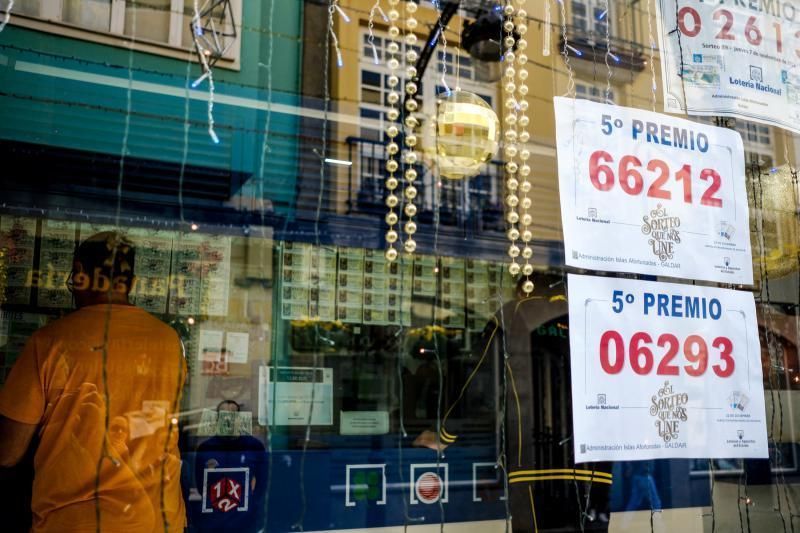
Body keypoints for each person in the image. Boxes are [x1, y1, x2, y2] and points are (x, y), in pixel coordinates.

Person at [0, 231, 187, 532]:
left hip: (75, 522)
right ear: (132, 282)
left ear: (79, 274)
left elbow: (8, 452)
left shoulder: (50, 343)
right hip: (159, 520)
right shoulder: (169, 342)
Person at [413, 272, 613, 532]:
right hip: (594, 463)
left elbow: (477, 378)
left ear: (522, 290)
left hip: (531, 463)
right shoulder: (592, 319)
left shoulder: (511, 316)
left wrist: (444, 434)